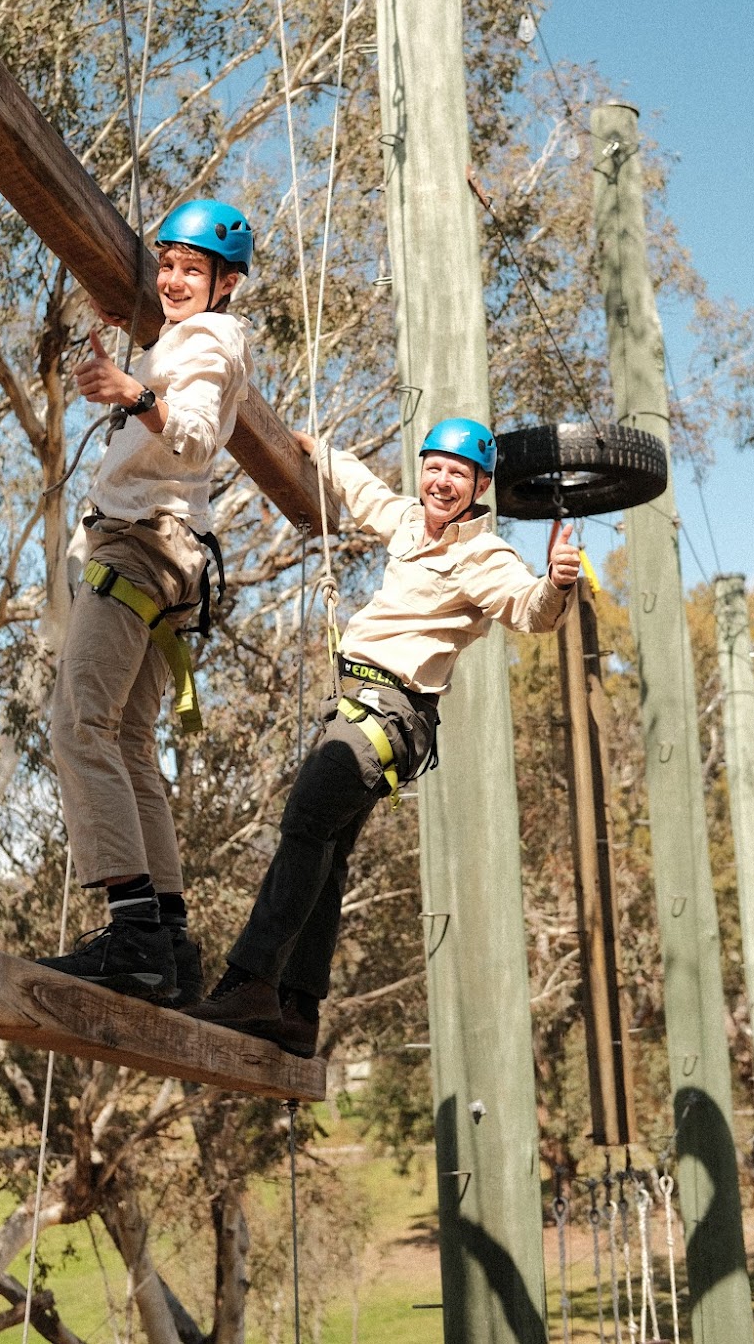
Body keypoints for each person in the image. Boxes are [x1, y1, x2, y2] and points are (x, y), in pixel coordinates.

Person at [186, 416, 581, 1053]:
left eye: (458, 474)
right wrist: (317, 450)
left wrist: (557, 583)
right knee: (327, 850)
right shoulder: (407, 522)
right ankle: (298, 1012)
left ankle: (251, 981)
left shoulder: (484, 557)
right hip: (358, 703)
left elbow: (529, 610)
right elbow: (364, 491)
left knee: (306, 818)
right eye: (434, 468)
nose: (442, 481)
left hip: (391, 713)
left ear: (480, 486)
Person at [39, 199, 255, 1005]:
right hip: (171, 558)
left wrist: (134, 390)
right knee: (130, 743)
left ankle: (132, 937)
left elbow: (192, 433)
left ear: (226, 284)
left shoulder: (207, 342)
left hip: (138, 546)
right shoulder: (191, 338)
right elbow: (179, 369)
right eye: (166, 265)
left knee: (78, 723)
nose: (172, 280)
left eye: (192, 270)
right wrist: (141, 346)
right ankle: (168, 942)